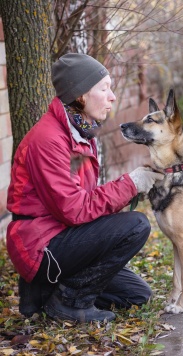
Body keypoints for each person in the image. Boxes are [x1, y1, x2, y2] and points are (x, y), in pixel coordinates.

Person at [6, 53, 164, 323]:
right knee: (136, 225)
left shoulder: (80, 132)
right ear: (80, 95)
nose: (112, 96)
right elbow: (74, 210)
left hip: (63, 237)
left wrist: (130, 188)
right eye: (104, 88)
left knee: (136, 296)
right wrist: (130, 183)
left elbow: (84, 201)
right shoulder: (49, 140)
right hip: (41, 246)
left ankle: (47, 291)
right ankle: (69, 303)